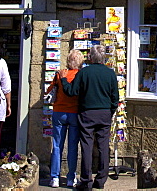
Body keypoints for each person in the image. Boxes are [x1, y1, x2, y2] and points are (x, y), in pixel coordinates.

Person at [60, 45, 118, 190]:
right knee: (103, 146)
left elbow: (71, 91)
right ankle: (101, 180)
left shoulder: (84, 72)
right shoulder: (110, 74)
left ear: (91, 57)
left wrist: (63, 80)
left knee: (86, 145)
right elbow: (115, 98)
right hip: (104, 113)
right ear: (103, 57)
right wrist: (110, 111)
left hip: (87, 113)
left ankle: (86, 181)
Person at [47, 50, 84, 187]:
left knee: (57, 145)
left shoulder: (60, 74)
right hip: (74, 111)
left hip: (59, 111)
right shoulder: (80, 75)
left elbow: (49, 90)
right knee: (73, 146)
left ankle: (54, 177)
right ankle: (71, 177)